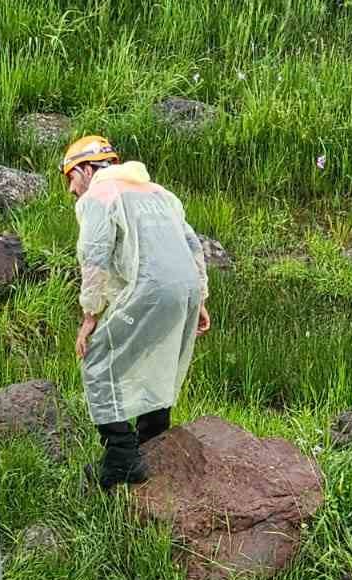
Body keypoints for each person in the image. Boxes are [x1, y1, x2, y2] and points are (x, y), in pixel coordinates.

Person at [62, 135, 211, 489]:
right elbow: (192, 243)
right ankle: (153, 440)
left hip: (153, 288)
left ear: (85, 169)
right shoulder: (158, 193)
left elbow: (94, 254)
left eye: (70, 178)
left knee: (98, 361)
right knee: (151, 355)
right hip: (185, 288)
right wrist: (199, 298)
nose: (70, 190)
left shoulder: (99, 195)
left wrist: (90, 316)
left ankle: (121, 458)